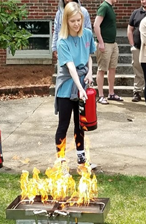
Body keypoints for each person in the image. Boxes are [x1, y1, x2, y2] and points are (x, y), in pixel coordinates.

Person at [54, 2, 96, 169]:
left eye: (79, 20)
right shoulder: (62, 41)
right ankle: (61, 162)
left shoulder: (86, 34)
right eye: (73, 21)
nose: (77, 24)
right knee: (63, 124)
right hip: (67, 88)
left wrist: (90, 72)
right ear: (66, 21)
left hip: (82, 84)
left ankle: (81, 160)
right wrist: (79, 88)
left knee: (81, 124)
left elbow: (89, 56)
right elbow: (70, 66)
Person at [94, 0, 123, 105]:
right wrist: (101, 42)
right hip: (105, 43)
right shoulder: (104, 6)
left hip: (112, 43)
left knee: (112, 68)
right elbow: (96, 25)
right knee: (102, 69)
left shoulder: (110, 7)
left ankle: (111, 93)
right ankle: (101, 96)